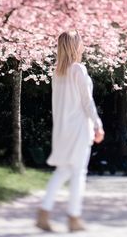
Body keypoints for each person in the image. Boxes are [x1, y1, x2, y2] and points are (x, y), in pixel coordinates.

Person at [36, 31, 104, 232]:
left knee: (64, 170)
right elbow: (87, 101)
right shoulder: (78, 70)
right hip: (80, 130)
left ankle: (44, 213)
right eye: (80, 42)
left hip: (63, 130)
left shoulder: (57, 73)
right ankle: (73, 218)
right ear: (75, 46)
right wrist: (98, 125)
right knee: (78, 173)